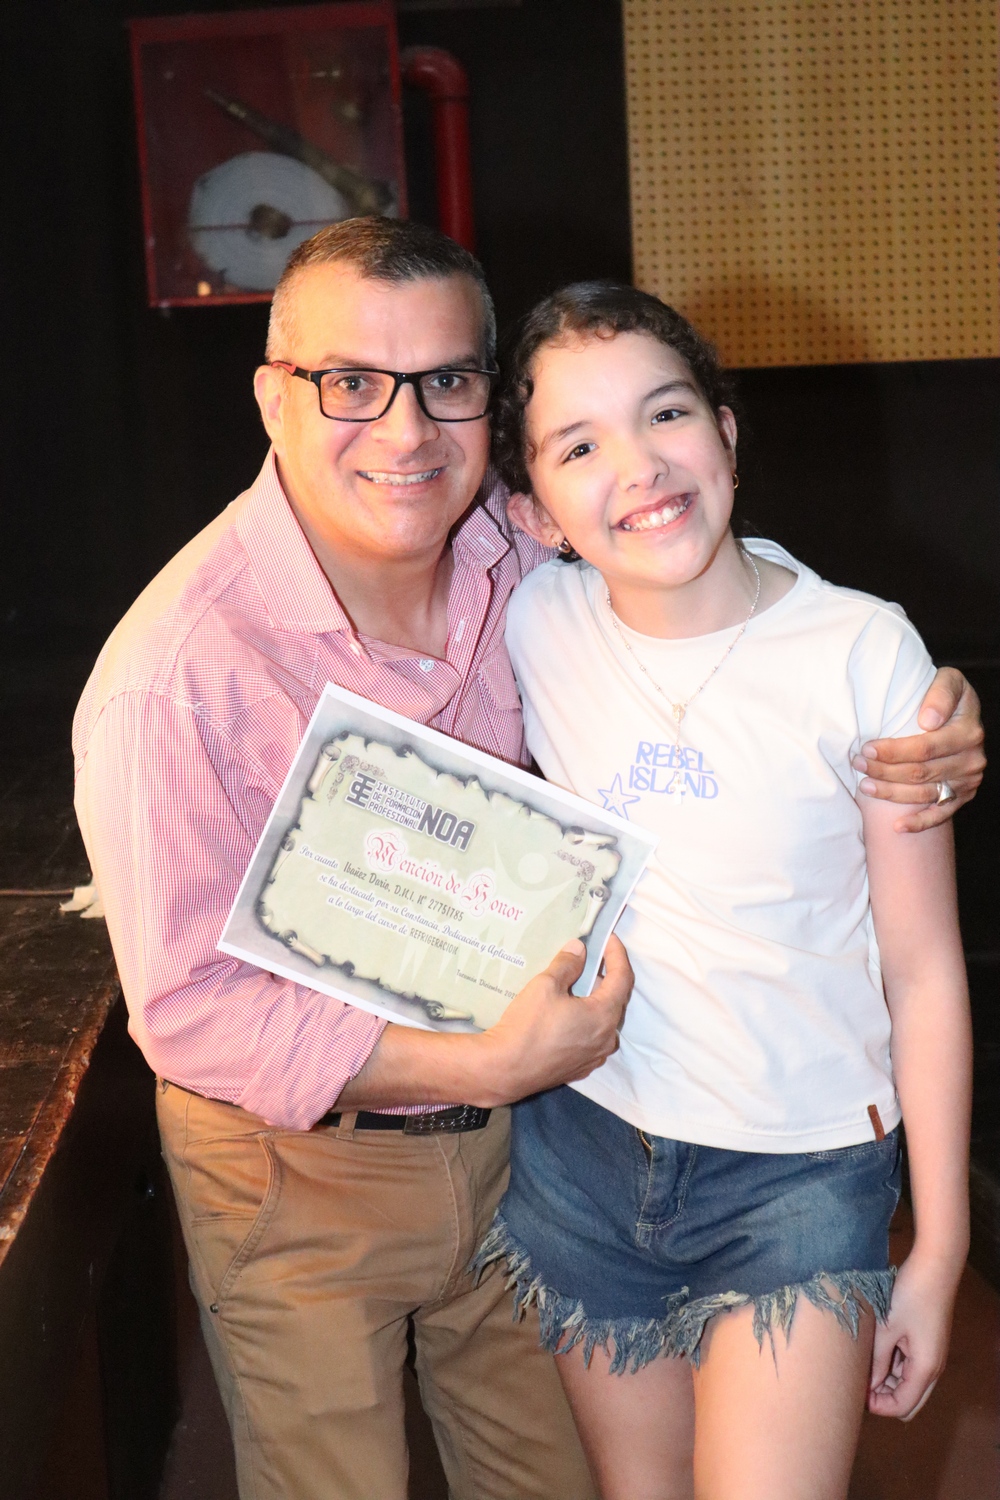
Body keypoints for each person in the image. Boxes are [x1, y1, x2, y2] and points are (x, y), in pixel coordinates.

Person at [72, 221, 982, 1500]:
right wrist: (484, 1065)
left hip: (540, 1144)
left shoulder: (516, 559)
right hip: (311, 1163)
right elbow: (186, 1012)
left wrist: (906, 701)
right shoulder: (175, 676)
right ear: (274, 398)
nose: (403, 432)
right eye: (351, 382)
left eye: (445, 380)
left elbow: (687, 561)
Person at [475, 280, 975, 1500]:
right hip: (582, 1151)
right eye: (578, 446)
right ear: (533, 511)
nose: (638, 465)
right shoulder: (533, 617)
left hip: (798, 1177)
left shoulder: (862, 652)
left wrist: (940, 1247)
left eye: (666, 413)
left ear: (727, 433)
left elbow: (922, 970)